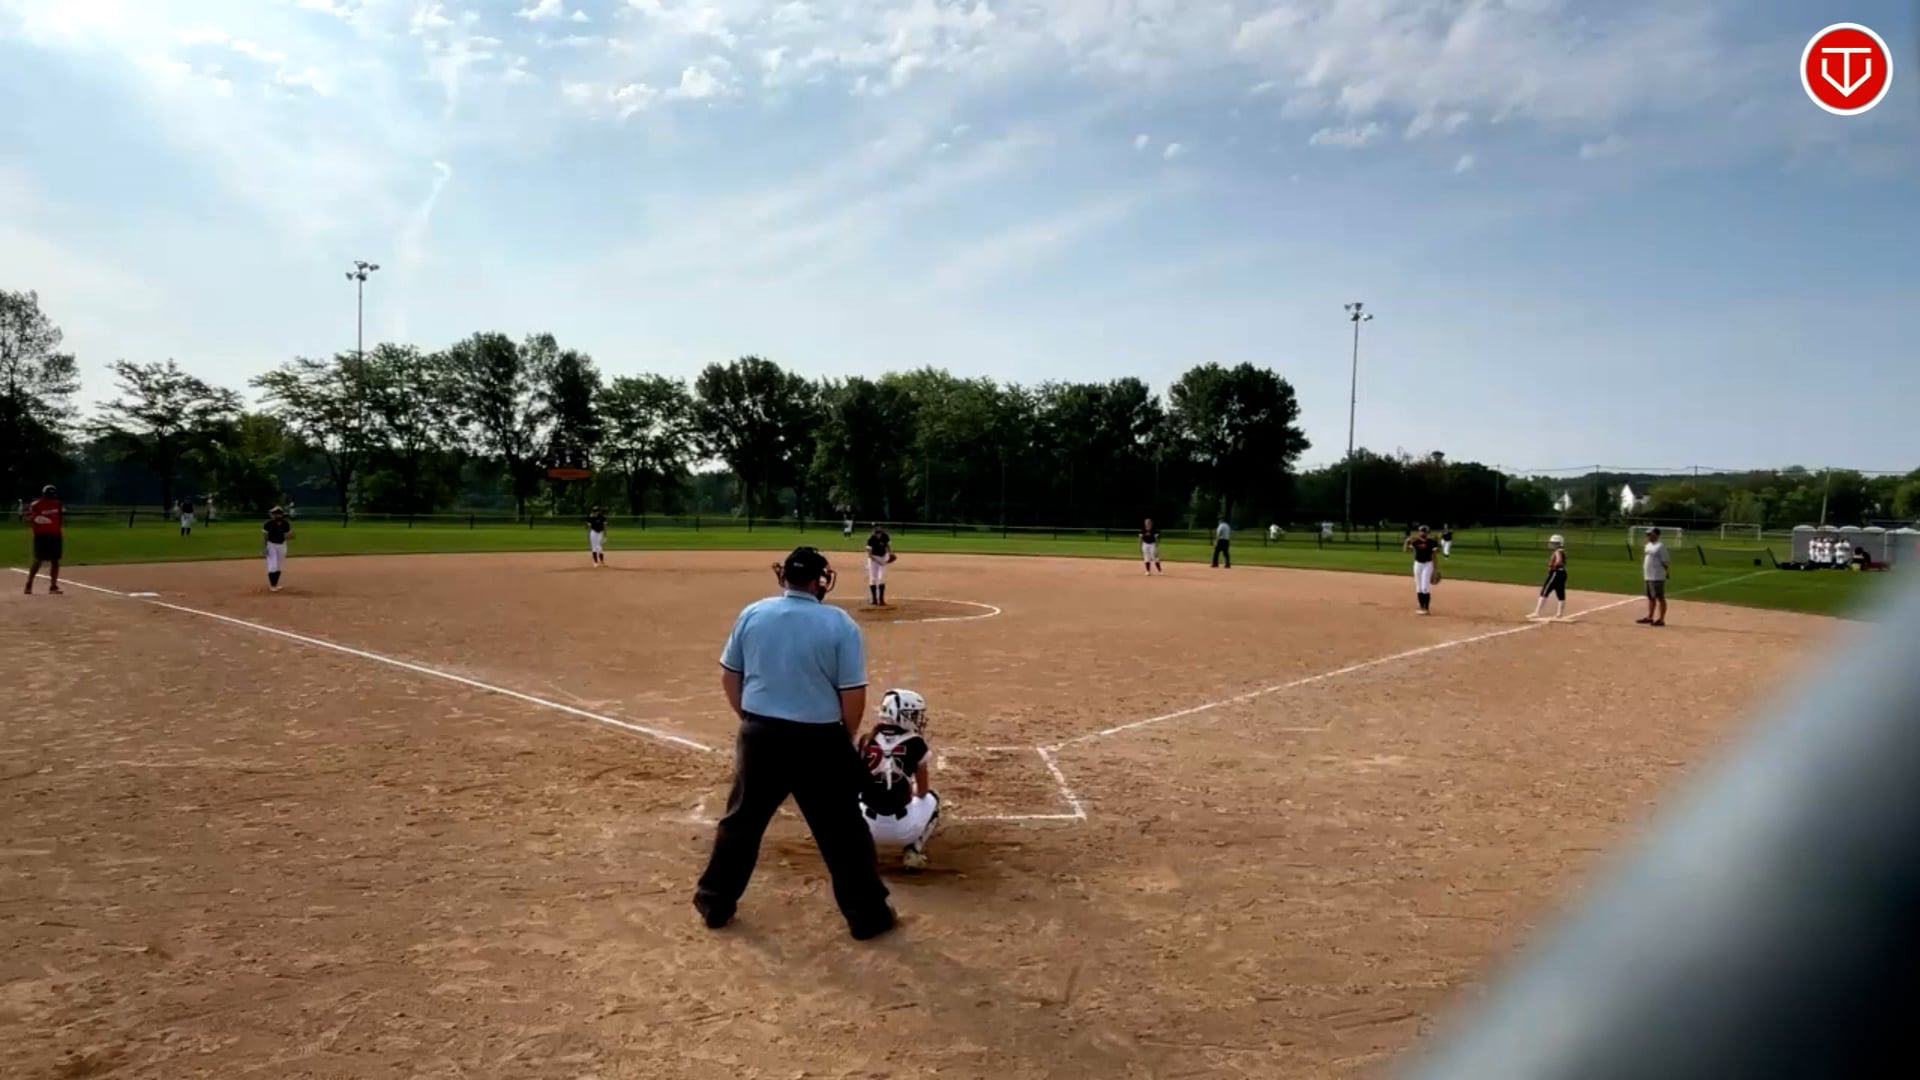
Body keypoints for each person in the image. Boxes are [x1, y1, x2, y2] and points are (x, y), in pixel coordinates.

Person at [694, 546, 895, 940]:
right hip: (819, 738)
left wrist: (750, 720)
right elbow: (852, 693)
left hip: (760, 733)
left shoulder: (754, 613)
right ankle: (867, 916)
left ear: (783, 576)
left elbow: (730, 676)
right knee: (842, 831)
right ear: (821, 581)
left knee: (742, 822)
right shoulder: (839, 623)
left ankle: (714, 902)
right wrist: (842, 739)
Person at [857, 689, 940, 871]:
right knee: (932, 798)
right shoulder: (916, 743)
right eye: (913, 714)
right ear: (900, 714)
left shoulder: (866, 740)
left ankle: (855, 850)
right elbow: (922, 791)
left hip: (865, 828)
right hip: (903, 830)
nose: (917, 718)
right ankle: (913, 851)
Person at [21, 485, 64, 595]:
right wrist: (36, 519)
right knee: (38, 560)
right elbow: (30, 517)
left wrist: (55, 527)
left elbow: (60, 518)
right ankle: (29, 584)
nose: (51, 497)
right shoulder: (36, 504)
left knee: (55, 561)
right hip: (41, 536)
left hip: (55, 535)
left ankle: (53, 586)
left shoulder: (57, 504)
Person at [1529, 534, 1569, 620]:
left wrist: (1553, 566)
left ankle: (1537, 613)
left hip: (1556, 573)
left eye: (1554, 543)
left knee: (1545, 591)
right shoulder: (1562, 550)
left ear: (1558, 543)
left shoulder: (1558, 551)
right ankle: (1559, 614)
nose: (1552, 544)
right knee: (1560, 592)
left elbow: (1559, 560)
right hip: (1562, 573)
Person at [1637, 526, 1671, 626]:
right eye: (1647, 534)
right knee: (1651, 597)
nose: (1648, 536)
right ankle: (1650, 617)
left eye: (1650, 534)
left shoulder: (1660, 546)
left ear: (1656, 535)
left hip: (1657, 576)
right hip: (1648, 575)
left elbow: (1665, 561)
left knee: (1660, 597)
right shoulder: (1647, 545)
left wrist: (1666, 572)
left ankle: (1661, 619)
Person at [1405, 524, 1440, 614]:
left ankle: (1426, 609)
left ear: (1427, 532)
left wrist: (1435, 570)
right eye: (1421, 531)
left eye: (1424, 531)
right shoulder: (1415, 542)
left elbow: (1434, 555)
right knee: (1418, 587)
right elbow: (1407, 550)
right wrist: (1407, 542)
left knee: (1425, 587)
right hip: (1417, 565)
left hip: (1427, 565)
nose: (1423, 533)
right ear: (1419, 532)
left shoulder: (1431, 542)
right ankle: (1422, 608)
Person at [263, 506, 294, 592]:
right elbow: (265, 536)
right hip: (271, 545)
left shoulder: (285, 523)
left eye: (275, 514)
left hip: (282, 545)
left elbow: (289, 536)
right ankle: (272, 585)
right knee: (273, 565)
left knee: (279, 565)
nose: (273, 515)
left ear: (280, 514)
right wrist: (265, 547)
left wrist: (290, 535)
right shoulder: (268, 524)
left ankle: (276, 584)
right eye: (273, 514)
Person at [864, 524, 894, 606]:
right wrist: (879, 562)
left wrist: (890, 553)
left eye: (879, 532)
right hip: (873, 559)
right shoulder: (871, 539)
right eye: (876, 532)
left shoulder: (885, 536)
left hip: (883, 557)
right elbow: (869, 555)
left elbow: (887, 546)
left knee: (882, 578)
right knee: (873, 578)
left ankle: (881, 599)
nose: (878, 534)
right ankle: (874, 599)